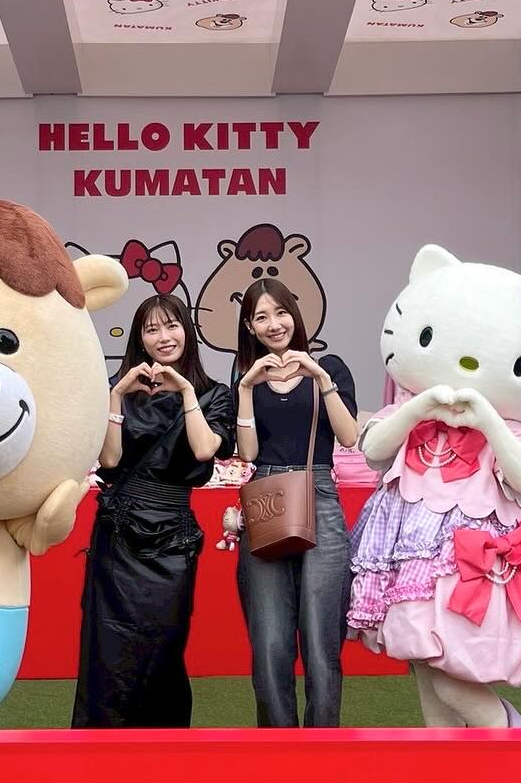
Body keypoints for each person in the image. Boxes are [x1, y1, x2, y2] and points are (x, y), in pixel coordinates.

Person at [72, 295, 234, 728]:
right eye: (152, 329)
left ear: (187, 330)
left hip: (173, 536)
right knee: (108, 646)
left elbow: (204, 449)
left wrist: (186, 391)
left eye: (172, 325)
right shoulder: (118, 389)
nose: (164, 337)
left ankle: (163, 748)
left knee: (165, 644)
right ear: (140, 339)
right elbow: (109, 460)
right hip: (118, 533)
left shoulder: (214, 394)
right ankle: (101, 748)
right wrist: (115, 395)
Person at [233, 281, 359, 726]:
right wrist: (245, 388)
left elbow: (348, 436)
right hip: (266, 494)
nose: (274, 324)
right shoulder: (247, 378)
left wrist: (320, 379)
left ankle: (322, 744)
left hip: (319, 493)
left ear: (295, 314)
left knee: (322, 638)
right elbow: (248, 452)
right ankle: (276, 745)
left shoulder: (330, 367)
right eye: (261, 317)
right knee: (269, 641)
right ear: (249, 327)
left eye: (280, 312)